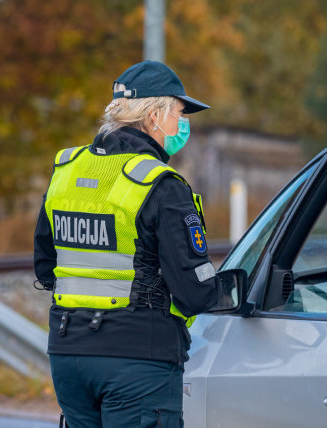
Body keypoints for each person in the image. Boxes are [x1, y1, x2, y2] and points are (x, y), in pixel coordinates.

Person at [33, 60, 220, 427]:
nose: (183, 126)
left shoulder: (66, 169)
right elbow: (194, 292)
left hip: (68, 355)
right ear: (154, 116)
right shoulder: (161, 184)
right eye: (180, 114)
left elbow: (45, 266)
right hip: (138, 362)